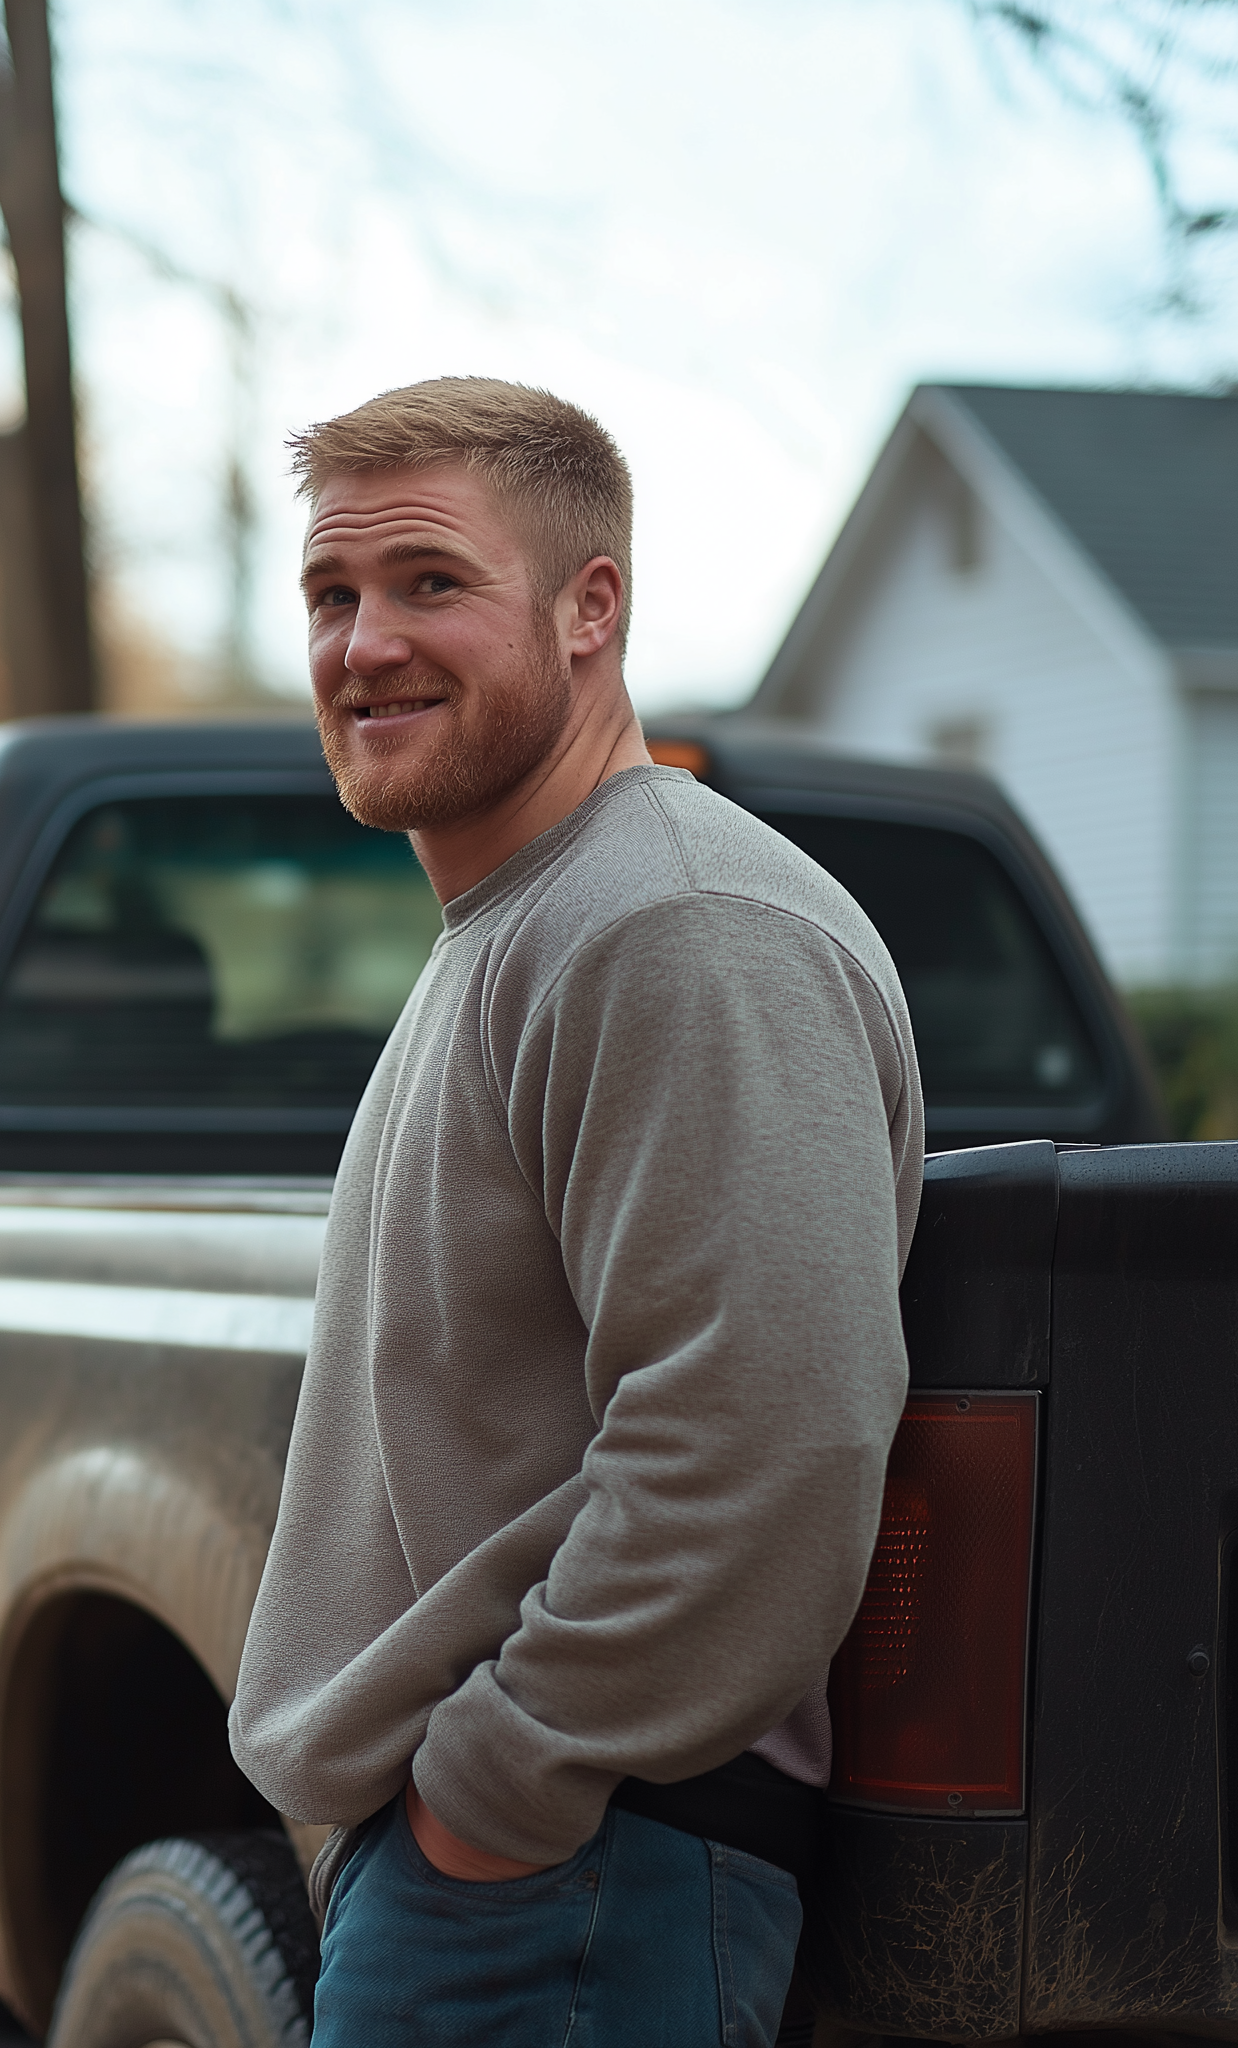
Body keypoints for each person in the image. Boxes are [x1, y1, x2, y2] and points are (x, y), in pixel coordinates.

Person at [228, 377, 923, 2047]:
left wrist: (497, 1793)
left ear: (589, 606)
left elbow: (763, 1435)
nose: (364, 642)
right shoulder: (528, 923)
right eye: (334, 595)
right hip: (525, 1864)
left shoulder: (676, 926)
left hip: (578, 1876)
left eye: (429, 583)